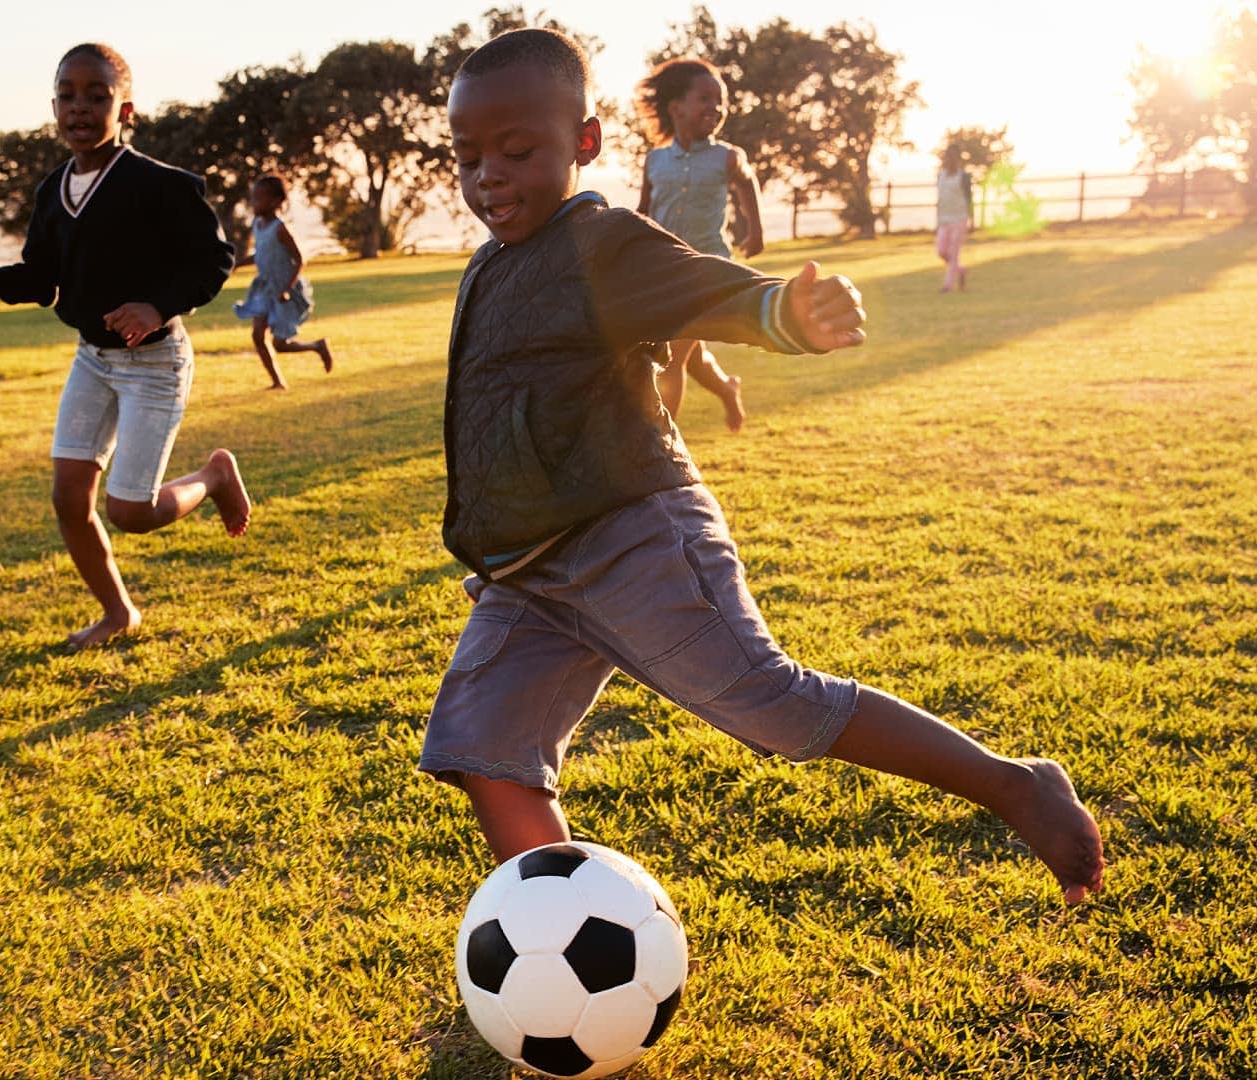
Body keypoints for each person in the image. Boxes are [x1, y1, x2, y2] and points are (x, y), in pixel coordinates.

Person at [422, 28, 1106, 906]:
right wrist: (494, 544)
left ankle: (1015, 785)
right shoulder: (488, 266)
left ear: (584, 142)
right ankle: (550, 922)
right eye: (468, 157)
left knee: (770, 702)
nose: (489, 176)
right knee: (486, 750)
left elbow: (708, 287)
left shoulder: (602, 245)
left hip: (629, 537)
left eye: (517, 152)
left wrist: (786, 312)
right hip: (528, 573)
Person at [0, 42, 248, 650]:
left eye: (96, 95)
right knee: (68, 498)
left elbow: (215, 259)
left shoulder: (161, 185)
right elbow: (42, 278)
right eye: (67, 95)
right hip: (93, 360)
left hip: (156, 363)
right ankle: (118, 613)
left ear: (125, 110)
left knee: (131, 512)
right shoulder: (52, 191)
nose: (79, 107)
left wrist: (156, 306)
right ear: (53, 107)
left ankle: (214, 476)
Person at [635, 58, 763, 432]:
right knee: (691, 356)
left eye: (720, 101)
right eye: (705, 99)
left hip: (707, 271)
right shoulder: (655, 161)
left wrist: (755, 231)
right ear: (676, 107)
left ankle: (660, 445)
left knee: (672, 356)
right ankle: (727, 388)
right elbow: (644, 211)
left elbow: (747, 184)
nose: (716, 108)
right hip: (664, 270)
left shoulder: (727, 157)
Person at [231, 174, 333, 390]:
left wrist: (286, 288)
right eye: (253, 198)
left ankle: (317, 346)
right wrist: (238, 264)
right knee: (258, 335)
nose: (254, 203)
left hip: (284, 290)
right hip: (264, 288)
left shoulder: (280, 228)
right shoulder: (257, 225)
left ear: (275, 202)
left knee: (280, 344)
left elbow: (300, 260)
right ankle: (277, 382)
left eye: (259, 199)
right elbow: (261, 254)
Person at [937, 147, 975, 292]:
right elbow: (940, 198)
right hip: (944, 219)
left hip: (960, 218)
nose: (950, 160)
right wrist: (937, 220)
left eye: (953, 157)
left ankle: (947, 285)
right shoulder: (940, 176)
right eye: (948, 157)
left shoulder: (963, 177)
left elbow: (969, 199)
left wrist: (972, 220)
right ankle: (961, 270)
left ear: (958, 160)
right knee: (941, 251)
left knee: (953, 253)